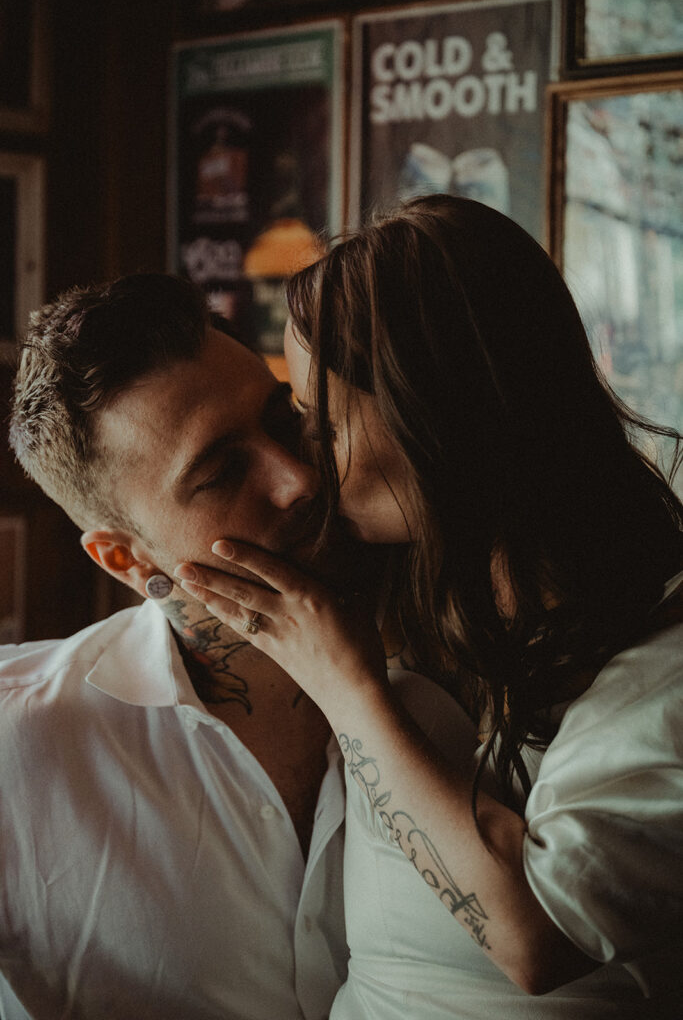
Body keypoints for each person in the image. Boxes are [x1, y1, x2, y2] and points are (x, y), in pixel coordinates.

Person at [175, 195, 683, 1017]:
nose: (307, 467)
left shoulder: (662, 650)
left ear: (436, 415)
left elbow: (536, 940)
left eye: (321, 423)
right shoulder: (414, 584)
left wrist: (348, 688)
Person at [2, 272, 380, 1020]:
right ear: (126, 560)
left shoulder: (474, 666)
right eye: (221, 473)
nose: (299, 477)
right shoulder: (20, 752)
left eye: (284, 417)